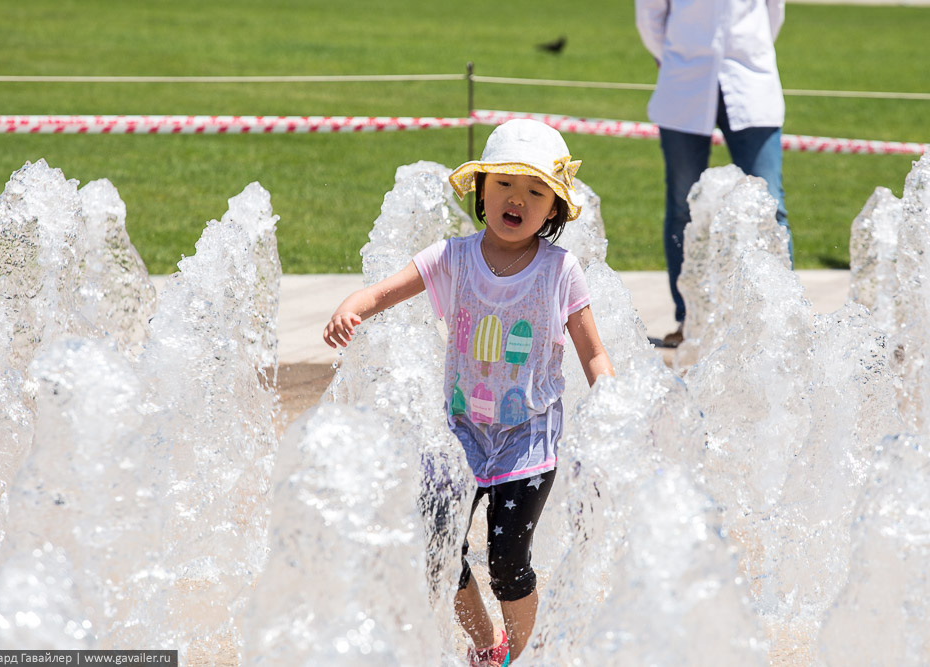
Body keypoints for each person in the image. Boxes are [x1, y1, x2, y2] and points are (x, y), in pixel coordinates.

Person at [323, 119, 615, 665]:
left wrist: (614, 406)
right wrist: (354, 306)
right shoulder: (453, 257)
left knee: (507, 560)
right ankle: (487, 646)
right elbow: (386, 290)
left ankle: (525, 657)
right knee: (437, 548)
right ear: (481, 191)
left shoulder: (560, 272)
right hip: (461, 434)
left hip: (528, 440)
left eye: (534, 191)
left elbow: (593, 353)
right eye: (504, 184)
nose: (517, 200)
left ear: (554, 207)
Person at [636, 0, 793, 346]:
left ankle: (780, 320)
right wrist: (677, 56)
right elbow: (650, 14)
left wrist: (751, 46)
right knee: (682, 207)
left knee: (770, 206)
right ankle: (689, 321)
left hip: (751, 79)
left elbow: (773, 11)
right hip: (685, 79)